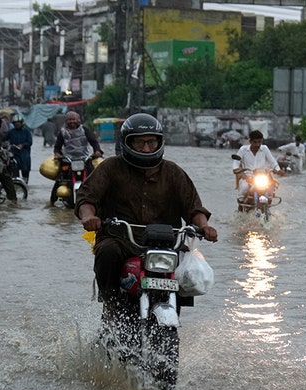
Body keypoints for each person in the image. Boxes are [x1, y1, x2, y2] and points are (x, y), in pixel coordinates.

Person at [75, 113, 218, 321]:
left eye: (151, 142)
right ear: (127, 142)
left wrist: (205, 226)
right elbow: (86, 198)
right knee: (107, 251)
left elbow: (194, 208)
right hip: (122, 240)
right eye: (139, 142)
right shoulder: (110, 167)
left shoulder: (173, 172)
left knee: (186, 268)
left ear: (159, 142)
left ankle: (172, 307)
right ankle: (111, 304)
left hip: (164, 244)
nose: (146, 148)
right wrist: (88, 217)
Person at [233, 130, 281, 201]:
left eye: (260, 142)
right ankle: (240, 207)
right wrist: (237, 170)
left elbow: (273, 163)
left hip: (263, 178)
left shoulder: (265, 149)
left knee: (271, 188)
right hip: (248, 178)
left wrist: (278, 170)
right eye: (255, 142)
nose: (257, 145)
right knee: (243, 189)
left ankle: (268, 205)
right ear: (250, 141)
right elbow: (236, 165)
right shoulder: (243, 150)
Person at [5, 113, 33, 182]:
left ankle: (25, 183)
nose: (17, 124)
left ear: (21, 123)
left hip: (24, 154)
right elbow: (4, 138)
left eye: (18, 123)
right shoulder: (11, 132)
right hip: (14, 153)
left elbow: (30, 142)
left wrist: (23, 145)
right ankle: (17, 183)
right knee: (14, 169)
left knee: (25, 170)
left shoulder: (26, 131)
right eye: (15, 123)